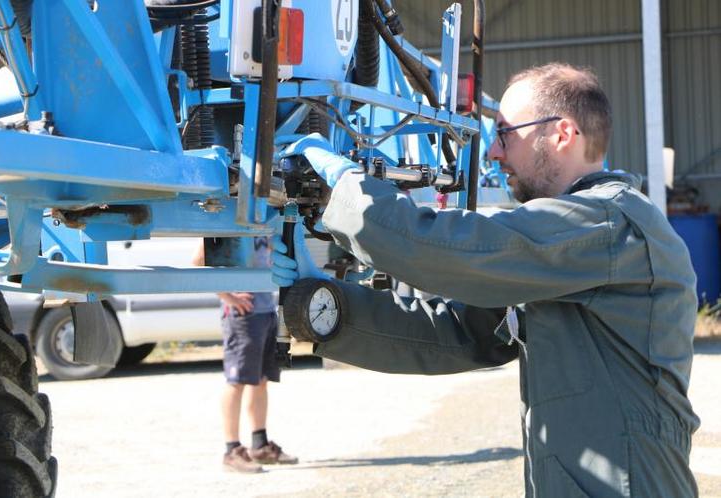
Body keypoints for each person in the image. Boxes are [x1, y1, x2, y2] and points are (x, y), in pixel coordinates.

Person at [272, 63, 699, 497]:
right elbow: (462, 332)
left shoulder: (608, 224)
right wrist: (324, 309)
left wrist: (347, 192)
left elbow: (451, 251)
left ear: (562, 134)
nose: (494, 153)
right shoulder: (574, 249)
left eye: (505, 134)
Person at [193, 237, 297, 473]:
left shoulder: (262, 221)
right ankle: (231, 451)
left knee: (260, 380)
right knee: (237, 381)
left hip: (266, 310)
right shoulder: (224, 222)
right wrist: (228, 296)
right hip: (242, 315)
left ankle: (260, 445)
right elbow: (197, 261)